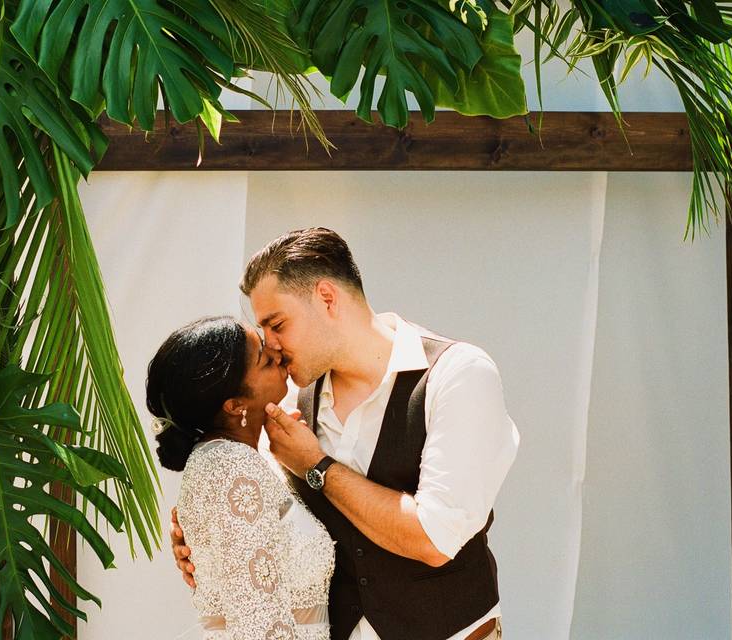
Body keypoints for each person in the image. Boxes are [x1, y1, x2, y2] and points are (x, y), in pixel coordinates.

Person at [171, 228, 520, 640]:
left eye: (277, 324)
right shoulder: (285, 403)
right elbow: (257, 515)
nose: (273, 346)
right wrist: (203, 543)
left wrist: (316, 466)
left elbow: (434, 537)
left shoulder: (458, 375)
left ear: (326, 298)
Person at [147, 315, 336, 639]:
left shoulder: (236, 458)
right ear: (235, 406)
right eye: (264, 359)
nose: (276, 352)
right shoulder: (232, 468)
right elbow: (259, 624)